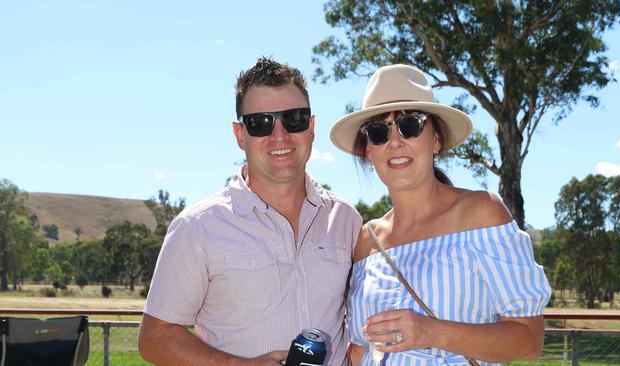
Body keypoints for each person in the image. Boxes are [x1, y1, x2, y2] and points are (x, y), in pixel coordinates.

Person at [138, 57, 362, 366]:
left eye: (294, 118)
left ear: (311, 127)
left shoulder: (347, 220)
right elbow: (154, 338)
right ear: (240, 135)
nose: (280, 135)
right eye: (261, 123)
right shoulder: (197, 227)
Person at [329, 64, 552, 366]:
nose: (395, 142)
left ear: (436, 140)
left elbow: (527, 341)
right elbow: (359, 350)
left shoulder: (481, 214)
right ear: (369, 151)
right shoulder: (366, 240)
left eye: (410, 126)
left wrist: (431, 332)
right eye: (379, 132)